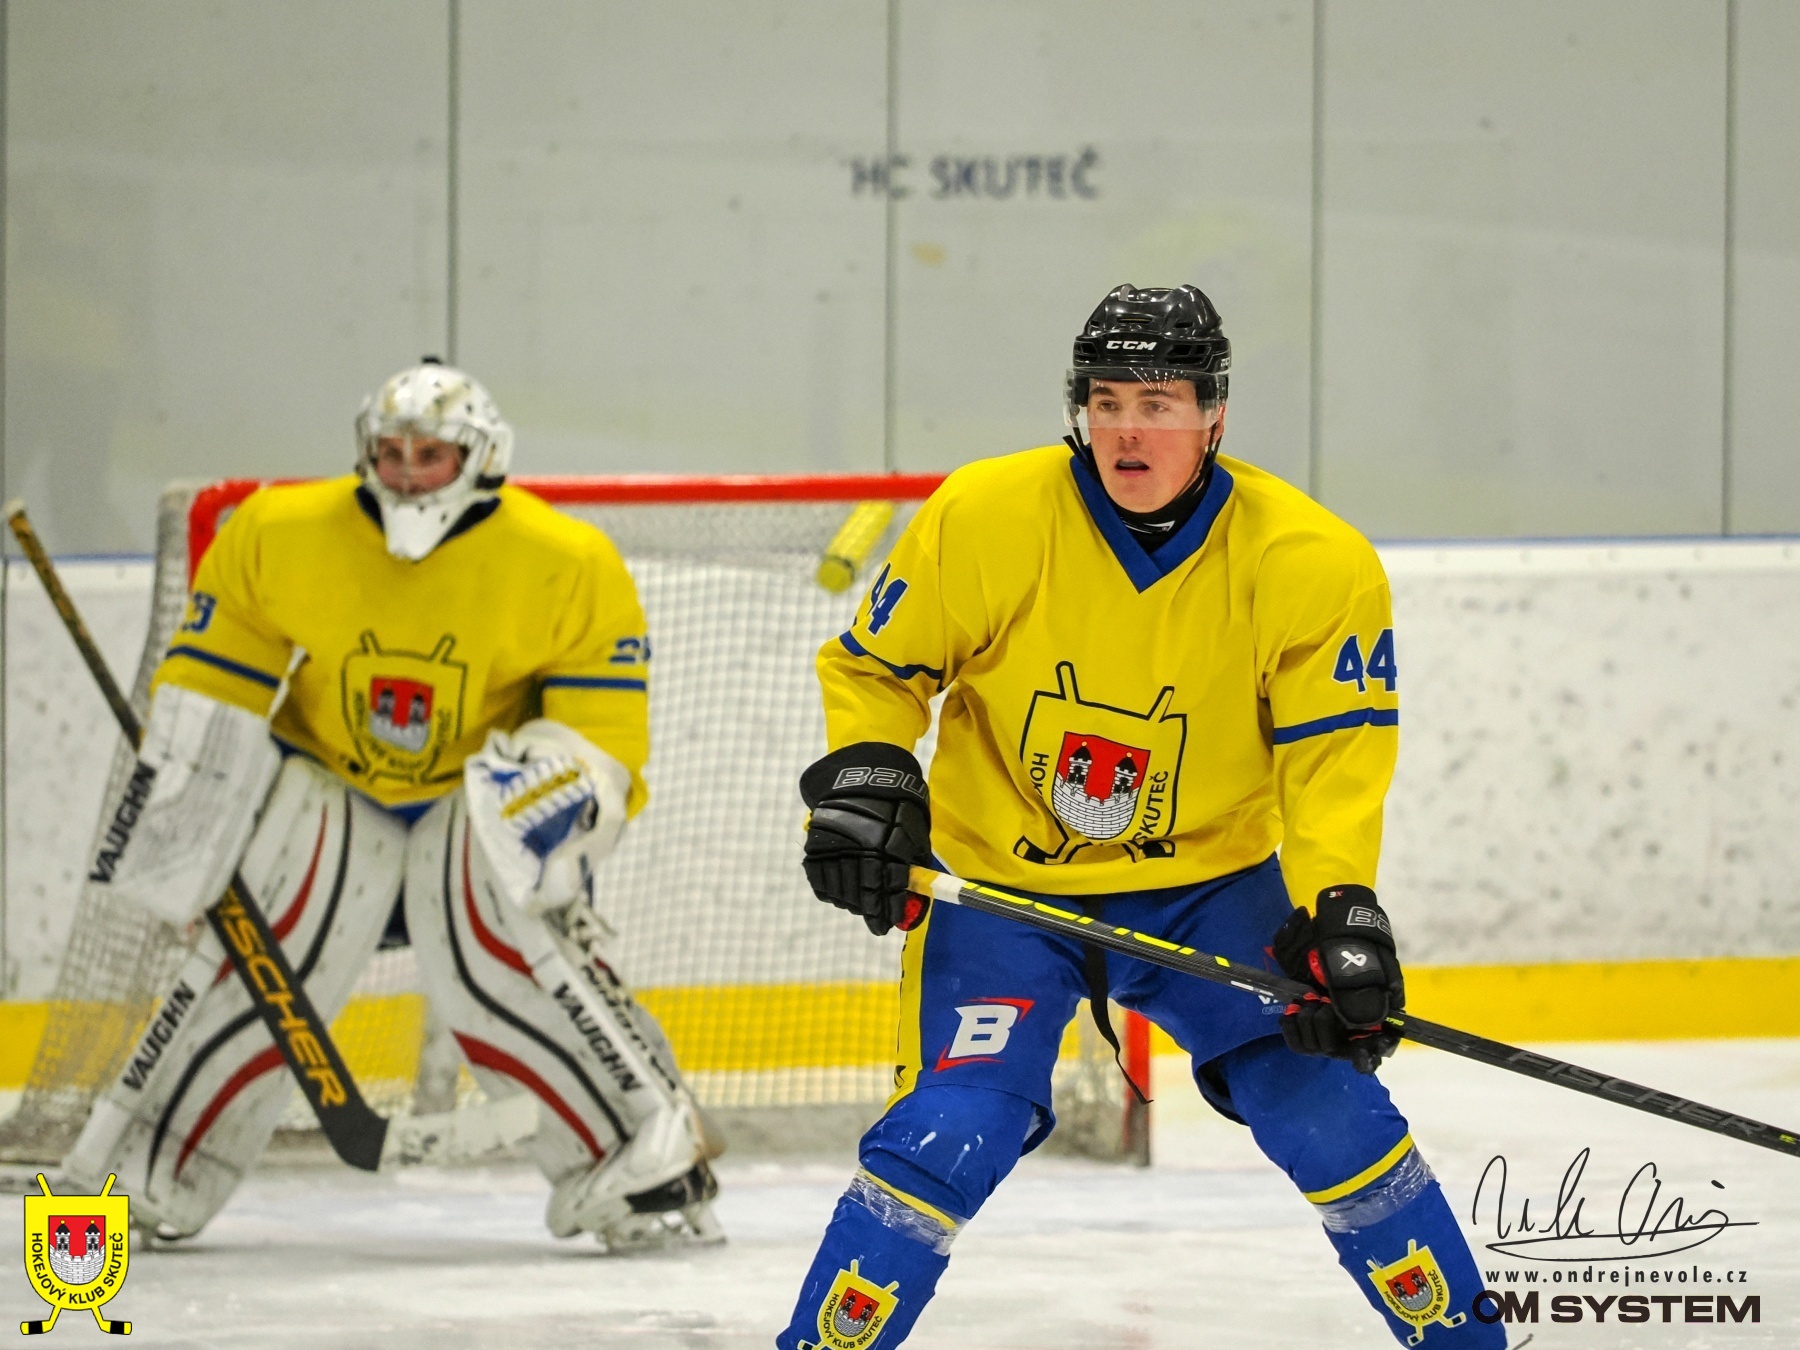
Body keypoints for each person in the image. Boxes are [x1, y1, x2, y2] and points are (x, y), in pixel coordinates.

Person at [778, 286, 1501, 1347]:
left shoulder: (1310, 560)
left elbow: (1331, 763)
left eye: (1158, 404)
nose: (1128, 430)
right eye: (1107, 401)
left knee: (1330, 1116)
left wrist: (1341, 907)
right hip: (1004, 892)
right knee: (951, 1129)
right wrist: (872, 772)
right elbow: (877, 669)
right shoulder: (984, 515)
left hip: (1212, 891)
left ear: (1215, 416)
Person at [62, 358, 719, 1252]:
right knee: (258, 962)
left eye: (430, 455)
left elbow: (601, 731)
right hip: (331, 782)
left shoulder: (567, 561)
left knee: (505, 967)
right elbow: (211, 697)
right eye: (392, 452)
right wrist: (188, 841)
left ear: (481, 458)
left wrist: (554, 819)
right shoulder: (279, 532)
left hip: (474, 796)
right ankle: (147, 1168)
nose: (407, 474)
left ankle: (642, 1166)